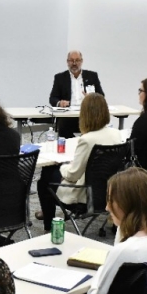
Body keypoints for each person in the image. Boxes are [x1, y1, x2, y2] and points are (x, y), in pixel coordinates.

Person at [36, 93, 121, 232]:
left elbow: (72, 175)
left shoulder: (87, 140)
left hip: (85, 196)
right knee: (51, 173)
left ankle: (49, 225)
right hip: (108, 192)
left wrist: (63, 167)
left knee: (46, 176)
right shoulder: (116, 134)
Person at [48, 50, 104, 138]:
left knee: (96, 125)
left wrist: (92, 98)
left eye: (77, 60)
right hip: (68, 115)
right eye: (71, 60)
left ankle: (87, 143)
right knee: (63, 125)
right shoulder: (60, 78)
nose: (74, 63)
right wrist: (60, 103)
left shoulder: (92, 76)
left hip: (87, 114)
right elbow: (53, 98)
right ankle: (72, 145)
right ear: (67, 62)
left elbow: (101, 96)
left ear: (81, 61)